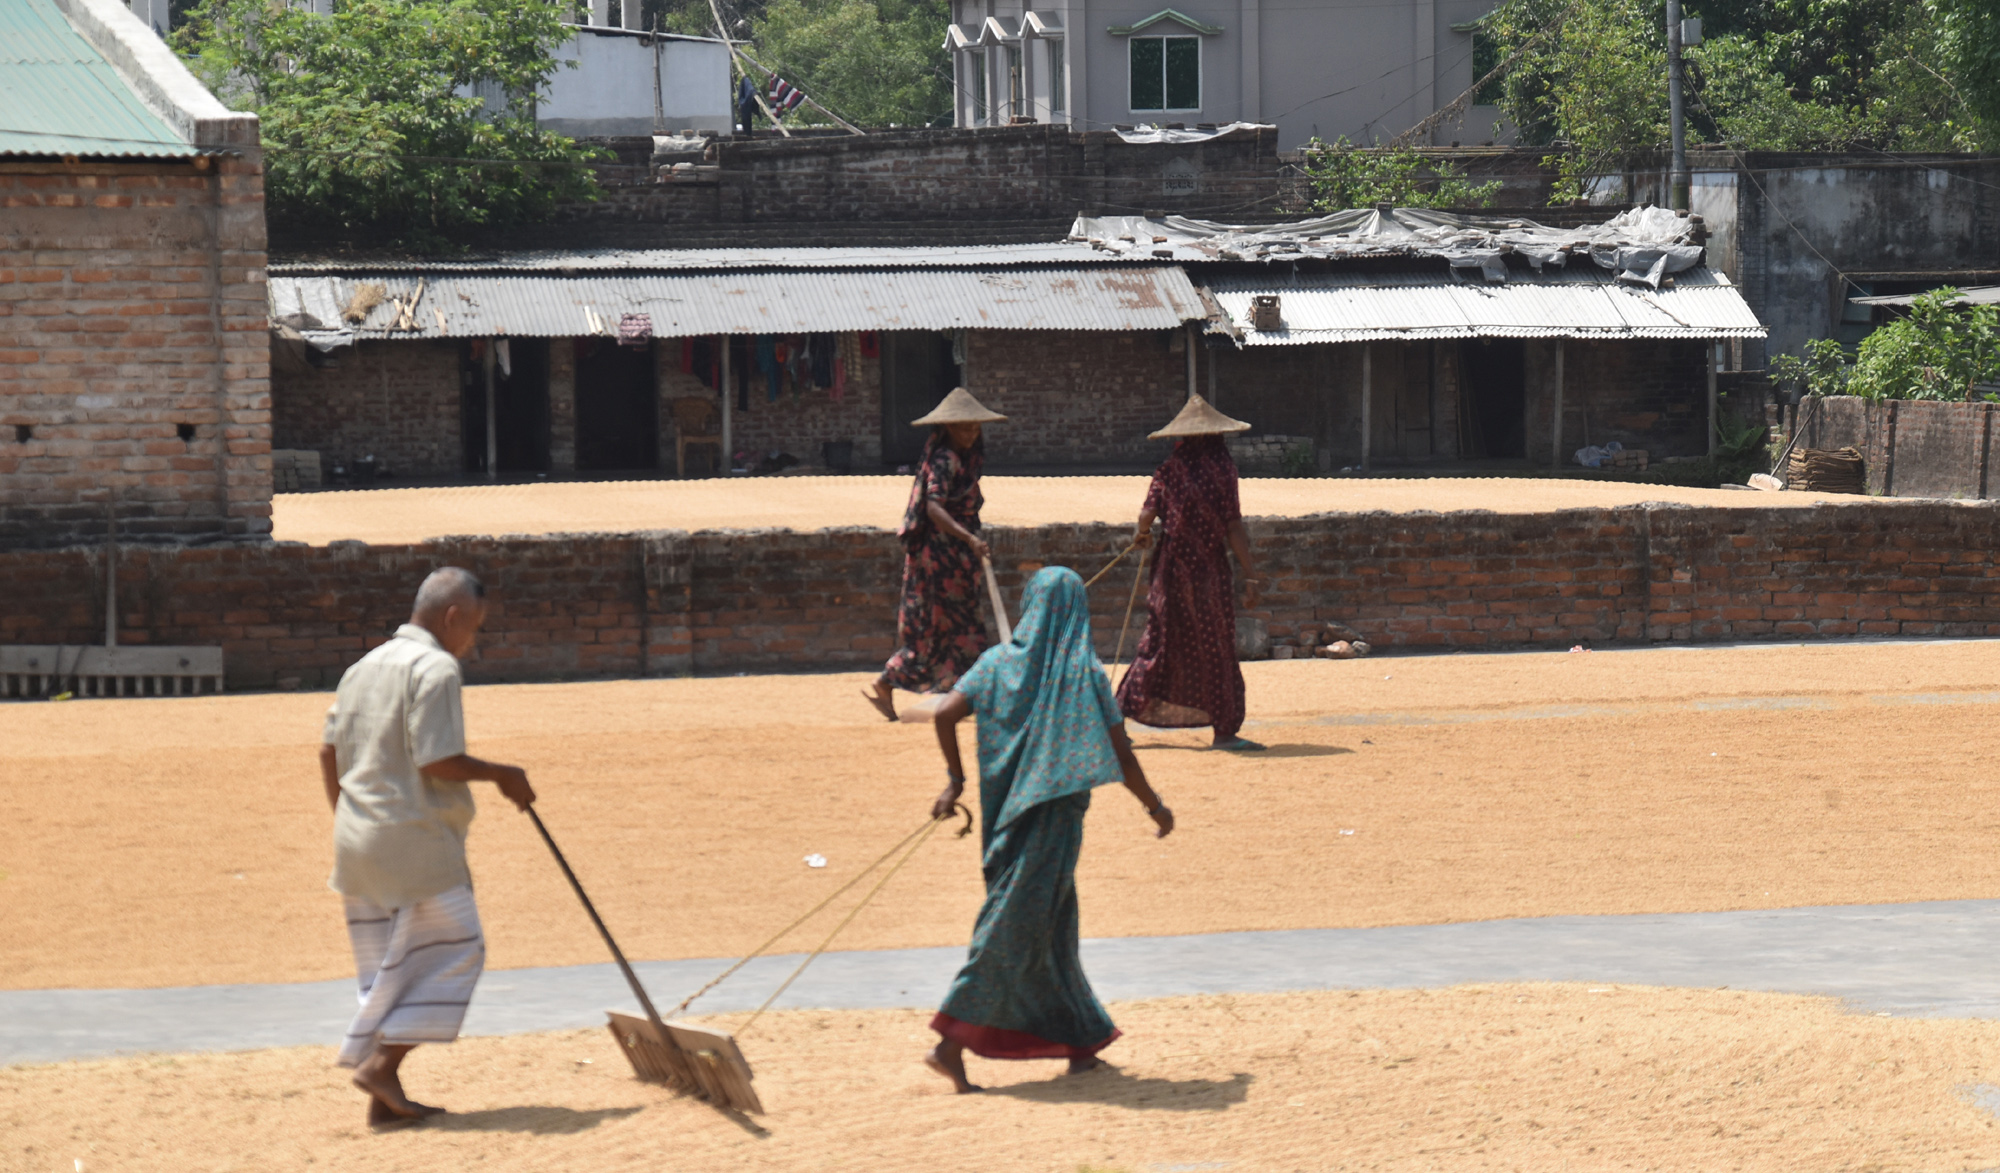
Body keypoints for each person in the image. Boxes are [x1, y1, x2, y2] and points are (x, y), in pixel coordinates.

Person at [922, 566, 1174, 1093]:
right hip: (1052, 824)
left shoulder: (995, 664)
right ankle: (949, 1042)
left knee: (1053, 929)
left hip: (1004, 822)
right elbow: (1120, 752)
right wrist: (1154, 806)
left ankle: (1080, 1043)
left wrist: (955, 781)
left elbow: (944, 713)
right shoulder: (1079, 671)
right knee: (1012, 929)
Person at [317, 567, 536, 1128]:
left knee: (390, 966)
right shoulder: (435, 667)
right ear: (452, 617)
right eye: (475, 629)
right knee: (459, 948)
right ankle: (381, 1066)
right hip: (413, 839)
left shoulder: (362, 667)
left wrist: (348, 814)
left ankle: (383, 1103)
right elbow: (436, 760)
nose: (473, 642)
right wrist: (503, 774)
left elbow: (327, 753)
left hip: (356, 840)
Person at [1117, 394, 1266, 751]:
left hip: (1170, 571)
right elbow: (1233, 527)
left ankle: (1115, 717)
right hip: (1208, 571)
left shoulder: (1169, 468)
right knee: (1215, 646)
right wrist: (1252, 576)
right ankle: (1224, 730)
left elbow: (1144, 517)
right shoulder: (1223, 468)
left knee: (1158, 643)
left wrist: (1142, 536)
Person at [864, 387, 1007, 721]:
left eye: (975, 427)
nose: (971, 434)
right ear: (947, 429)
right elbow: (934, 509)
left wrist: (967, 542)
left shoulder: (966, 459)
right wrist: (968, 538)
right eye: (964, 427)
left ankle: (966, 698)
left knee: (962, 627)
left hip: (957, 559)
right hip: (939, 559)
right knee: (936, 628)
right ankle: (889, 681)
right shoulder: (944, 460)